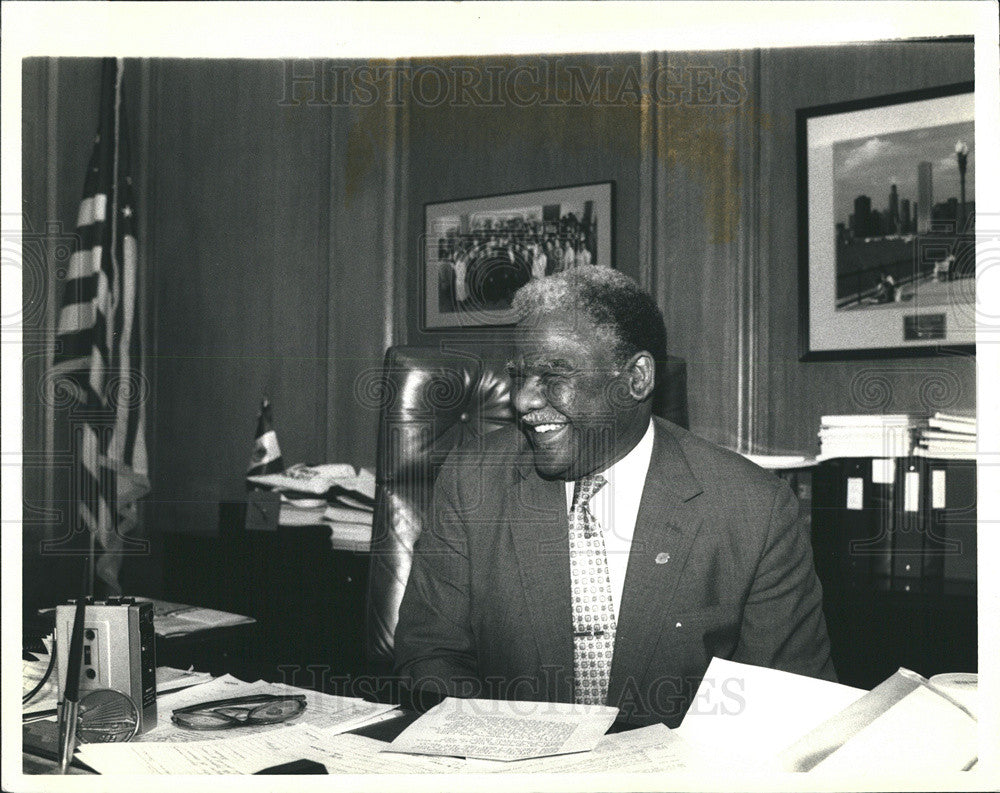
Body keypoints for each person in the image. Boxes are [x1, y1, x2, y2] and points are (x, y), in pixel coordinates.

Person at [394, 266, 835, 727]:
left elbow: (791, 705)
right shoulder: (472, 483)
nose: (523, 400)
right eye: (519, 376)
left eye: (553, 375)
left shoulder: (754, 510)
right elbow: (430, 657)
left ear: (636, 378)